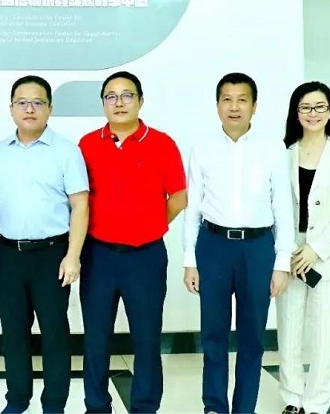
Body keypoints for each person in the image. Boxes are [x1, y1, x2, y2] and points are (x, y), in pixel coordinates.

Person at [182, 72, 295, 414]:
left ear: (254, 106)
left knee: (252, 337)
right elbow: (193, 207)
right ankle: (214, 406)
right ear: (217, 105)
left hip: (257, 248)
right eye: (227, 100)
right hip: (213, 246)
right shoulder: (202, 149)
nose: (234, 107)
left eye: (242, 100)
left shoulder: (272, 148)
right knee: (213, 335)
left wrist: (282, 263)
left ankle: (244, 408)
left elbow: (283, 207)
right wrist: (189, 259)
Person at [78, 71, 187, 413]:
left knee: (147, 337)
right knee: (96, 337)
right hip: (98, 255)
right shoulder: (87, 144)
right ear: (103, 103)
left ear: (140, 101)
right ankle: (97, 405)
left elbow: (179, 198)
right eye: (111, 96)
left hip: (145, 256)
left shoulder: (162, 143)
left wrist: (149, 224)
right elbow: (78, 200)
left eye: (127, 95)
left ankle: (145, 406)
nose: (119, 102)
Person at [0, 75, 89, 414]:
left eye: (37, 102)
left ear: (50, 108)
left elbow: (80, 205)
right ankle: (17, 400)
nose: (29, 109)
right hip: (9, 254)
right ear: (11, 108)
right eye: (22, 102)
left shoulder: (66, 151)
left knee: (54, 333)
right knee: (13, 333)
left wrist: (73, 255)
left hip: (52, 254)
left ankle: (54, 404)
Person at [276, 82, 330, 414]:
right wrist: (290, 250)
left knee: (325, 336)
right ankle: (292, 399)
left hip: (328, 258)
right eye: (306, 107)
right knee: (289, 331)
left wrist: (316, 249)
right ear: (296, 113)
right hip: (290, 254)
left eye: (320, 106)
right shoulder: (284, 154)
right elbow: (276, 207)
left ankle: (316, 404)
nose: (313, 113)